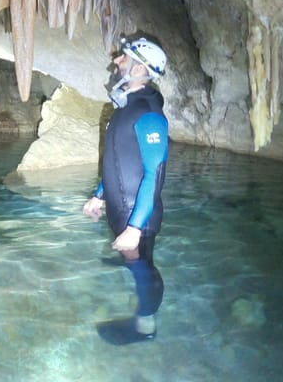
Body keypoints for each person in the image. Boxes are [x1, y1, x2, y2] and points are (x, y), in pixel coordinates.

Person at [83, 36, 169, 344]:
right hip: (124, 209)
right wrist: (100, 194)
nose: (117, 61)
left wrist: (134, 227)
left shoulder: (149, 113)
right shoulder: (125, 108)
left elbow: (154, 171)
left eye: (124, 58)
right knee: (135, 263)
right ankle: (134, 274)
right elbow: (118, 160)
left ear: (140, 69)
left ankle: (145, 327)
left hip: (139, 216)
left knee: (142, 267)